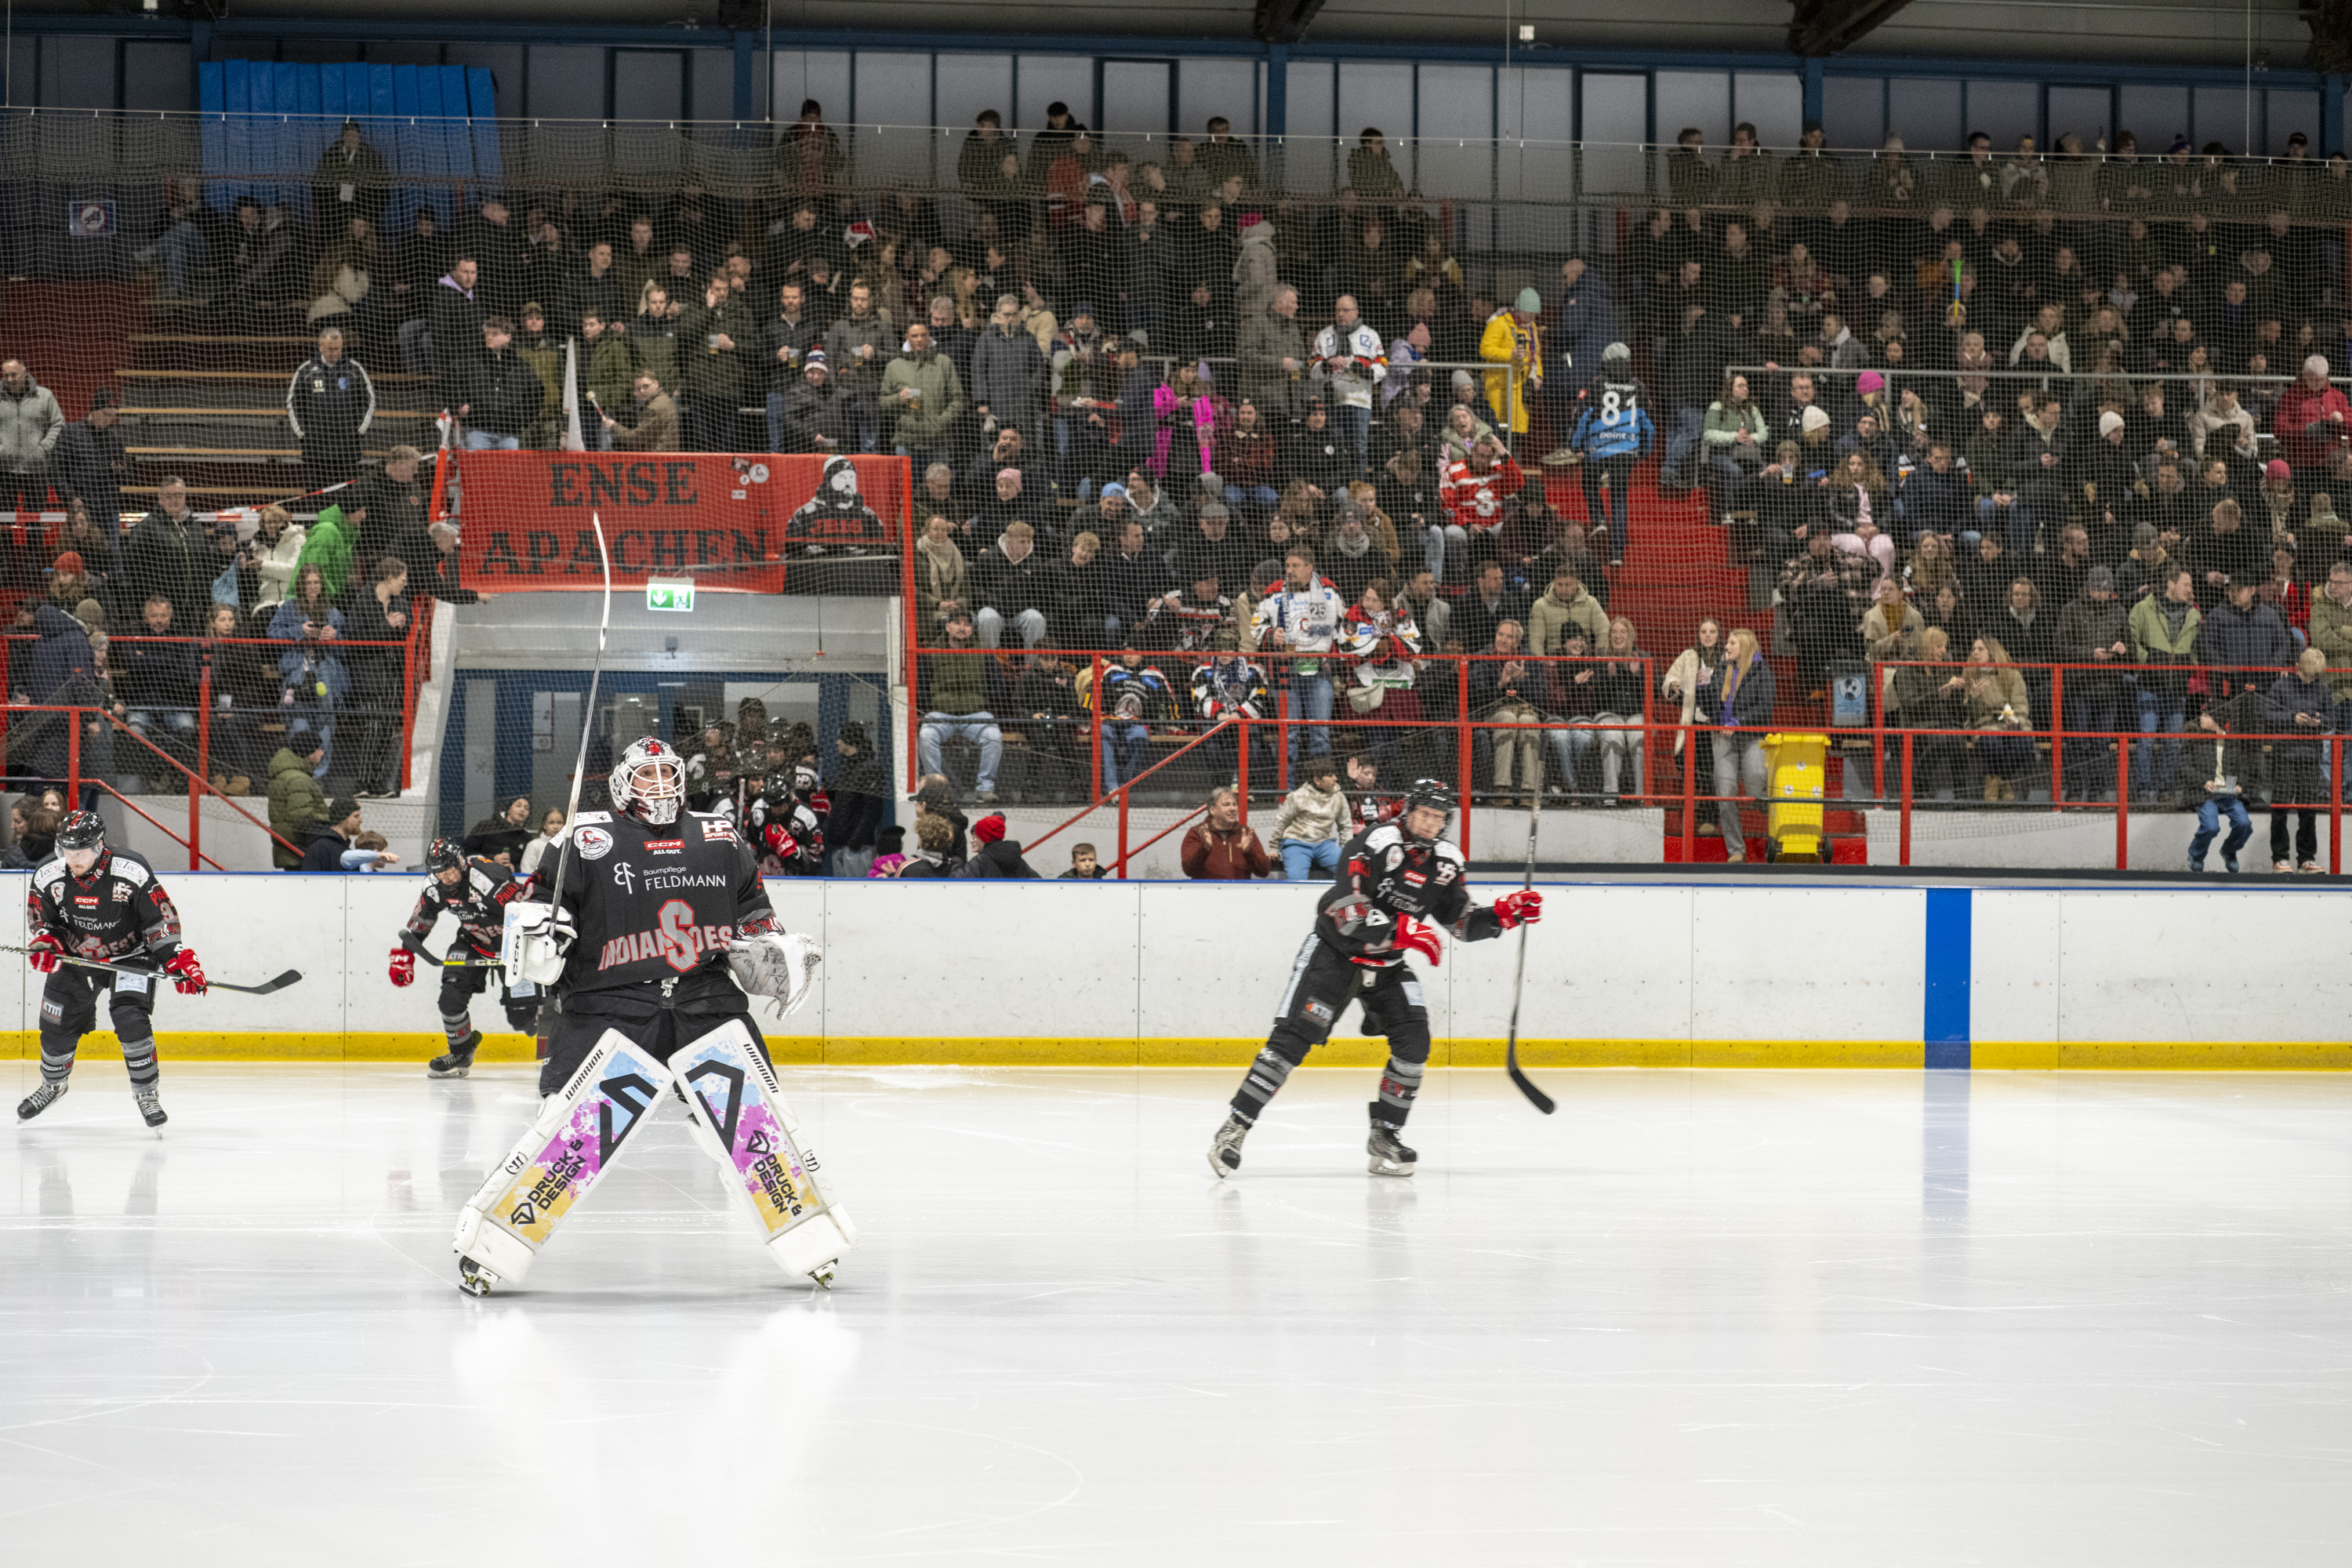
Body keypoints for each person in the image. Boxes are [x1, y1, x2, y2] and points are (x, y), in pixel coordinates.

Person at [457, 736, 841, 1296]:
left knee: (753, 1129)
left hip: (705, 1001)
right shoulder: (585, 840)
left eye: (669, 774)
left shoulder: (718, 835)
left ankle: (812, 1243)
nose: (660, 786)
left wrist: (771, 947)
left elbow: (755, 912)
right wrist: (538, 933)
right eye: (647, 776)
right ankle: (491, 1248)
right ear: (621, 783)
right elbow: (545, 910)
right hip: (610, 1004)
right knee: (569, 1132)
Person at [1206, 779, 1541, 1179]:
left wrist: (1504, 915)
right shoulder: (1373, 842)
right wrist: (1402, 931)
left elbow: (1461, 922)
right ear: (1408, 811)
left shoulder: (1447, 861)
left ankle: (1385, 1135)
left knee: (1415, 1043)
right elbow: (1344, 907)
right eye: (1424, 814)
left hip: (1387, 966)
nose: (1430, 823)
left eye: (1438, 817)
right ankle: (1234, 1129)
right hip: (1335, 955)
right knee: (1291, 1042)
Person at [16, 811, 207, 1129]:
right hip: (77, 958)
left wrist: (175, 956)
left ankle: (146, 1094)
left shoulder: (130, 869)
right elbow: (41, 919)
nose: (72, 860)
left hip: (131, 957)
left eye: (80, 854)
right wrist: (45, 942)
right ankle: (53, 1085)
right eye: (66, 852)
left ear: (100, 846)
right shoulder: (48, 873)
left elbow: (159, 919)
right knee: (56, 1023)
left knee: (131, 1018)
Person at [390, 836, 537, 1079]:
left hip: (512, 945)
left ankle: (557, 1020)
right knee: (450, 998)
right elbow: (422, 918)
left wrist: (526, 951)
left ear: (460, 863)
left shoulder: (490, 878)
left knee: (523, 1018)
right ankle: (461, 1052)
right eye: (438, 873)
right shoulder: (434, 886)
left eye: (448, 870)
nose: (444, 877)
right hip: (472, 941)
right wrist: (405, 954)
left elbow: (524, 913)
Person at [1249, 543, 1348, 763]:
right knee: (1288, 733)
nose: (1289, 571)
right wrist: (1271, 634)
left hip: (1319, 671)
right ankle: (1286, 792)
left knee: (1320, 734)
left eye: (1295, 566)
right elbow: (1256, 624)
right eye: (1287, 566)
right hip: (1284, 673)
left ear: (1309, 568)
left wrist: (1332, 656)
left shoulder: (1328, 589)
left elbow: (1340, 625)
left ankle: (1320, 790)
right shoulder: (1274, 589)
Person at [1695, 627, 1775, 860]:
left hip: (1751, 735)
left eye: (1732, 643)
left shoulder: (1762, 672)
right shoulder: (1721, 670)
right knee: (1726, 794)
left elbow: (1765, 709)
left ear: (1745, 646)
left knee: (1755, 788)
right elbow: (1710, 709)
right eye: (1727, 643)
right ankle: (1737, 850)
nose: (1726, 647)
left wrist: (1737, 722)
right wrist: (1703, 688)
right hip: (1723, 737)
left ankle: (1782, 821)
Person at [283, 326, 376, 493]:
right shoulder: (306, 371)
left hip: (347, 449)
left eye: (338, 348)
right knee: (317, 496)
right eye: (330, 349)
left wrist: (359, 431)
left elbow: (369, 401)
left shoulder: (354, 370)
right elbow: (293, 403)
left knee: (347, 496)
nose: (334, 352)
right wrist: (302, 433)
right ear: (320, 347)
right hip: (315, 449)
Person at [2266, 648, 2334, 873]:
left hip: (2310, 756)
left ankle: (2306, 858)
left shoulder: (2322, 690)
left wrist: (2319, 722)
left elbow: (2331, 719)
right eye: (2307, 675)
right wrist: (2292, 718)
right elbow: (2267, 714)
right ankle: (2280, 857)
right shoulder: (2281, 686)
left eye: (2314, 676)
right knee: (2281, 806)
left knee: (2308, 809)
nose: (2310, 680)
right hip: (2284, 754)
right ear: (2297, 668)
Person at [1272, 757, 1351, 882]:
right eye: (1330, 776)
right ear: (1317, 780)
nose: (1335, 778)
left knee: (1349, 869)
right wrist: (1273, 848)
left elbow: (1346, 826)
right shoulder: (1297, 796)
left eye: (1334, 774)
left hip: (1325, 844)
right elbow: (1280, 822)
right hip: (1297, 843)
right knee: (1296, 880)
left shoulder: (1339, 797)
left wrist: (1345, 850)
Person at [1180, 785, 1270, 880]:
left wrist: (1249, 852)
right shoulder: (1197, 833)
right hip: (1207, 892)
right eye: (1226, 805)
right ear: (1213, 810)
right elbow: (1188, 870)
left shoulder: (1246, 833)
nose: (1233, 809)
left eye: (1234, 804)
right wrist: (1204, 849)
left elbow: (1264, 872)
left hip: (1239, 892)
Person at [465, 793, 535, 866]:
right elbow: (467, 852)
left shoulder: (527, 838)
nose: (522, 810)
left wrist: (515, 868)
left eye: (526, 808)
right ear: (509, 809)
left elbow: (528, 865)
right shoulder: (486, 826)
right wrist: (492, 859)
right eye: (518, 806)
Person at [517, 807, 567, 877]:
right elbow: (526, 871)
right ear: (545, 825)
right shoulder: (534, 845)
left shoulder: (569, 846)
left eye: (559, 822)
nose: (556, 827)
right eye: (551, 823)